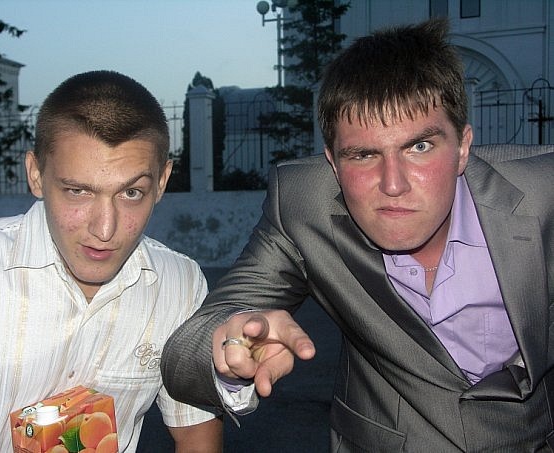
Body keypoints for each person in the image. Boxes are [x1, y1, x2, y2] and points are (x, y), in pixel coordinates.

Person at [161, 18, 554, 452]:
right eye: (364, 155)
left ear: (462, 147)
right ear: (333, 162)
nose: (393, 184)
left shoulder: (543, 194)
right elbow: (185, 354)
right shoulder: (304, 205)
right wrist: (232, 346)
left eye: (419, 147)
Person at [0, 70, 222, 452]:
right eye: (78, 191)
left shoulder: (181, 285)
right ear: (36, 175)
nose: (105, 229)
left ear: (162, 182)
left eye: (131, 193)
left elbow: (195, 432)